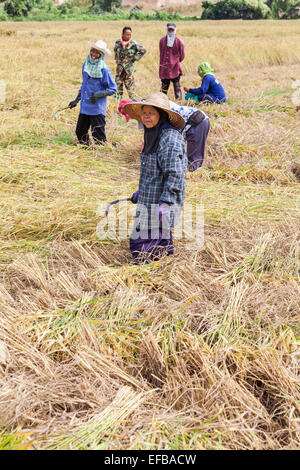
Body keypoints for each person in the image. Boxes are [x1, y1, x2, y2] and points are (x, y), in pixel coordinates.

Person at [122, 92, 187, 264]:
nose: (146, 116)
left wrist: (166, 203)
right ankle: (160, 267)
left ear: (162, 115)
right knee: (152, 243)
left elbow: (175, 174)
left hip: (161, 204)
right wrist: (141, 192)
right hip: (149, 201)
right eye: (144, 113)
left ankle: (153, 273)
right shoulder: (152, 134)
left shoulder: (169, 139)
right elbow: (153, 170)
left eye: (151, 113)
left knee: (144, 245)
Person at [118, 98, 210, 172]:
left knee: (194, 154)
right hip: (185, 123)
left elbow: (157, 135)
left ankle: (193, 172)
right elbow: (150, 133)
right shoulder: (147, 111)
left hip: (197, 120)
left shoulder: (156, 107)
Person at [69, 40, 117, 145]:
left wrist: (98, 95)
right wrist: (76, 100)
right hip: (85, 105)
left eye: (97, 53)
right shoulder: (85, 65)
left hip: (97, 108)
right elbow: (84, 84)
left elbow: (113, 88)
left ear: (101, 55)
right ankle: (87, 151)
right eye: (93, 51)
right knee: (80, 132)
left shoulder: (104, 70)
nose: (94, 54)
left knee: (98, 137)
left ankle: (100, 155)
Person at [169, 100, 210, 171]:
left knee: (194, 156)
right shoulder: (155, 111)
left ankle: (193, 171)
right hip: (192, 120)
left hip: (197, 121)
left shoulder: (165, 112)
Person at [114, 26, 146, 100]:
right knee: (117, 89)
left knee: (131, 90)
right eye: (127, 34)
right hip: (119, 70)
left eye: (130, 35)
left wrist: (134, 59)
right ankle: (118, 104)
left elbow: (143, 50)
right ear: (122, 34)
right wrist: (116, 58)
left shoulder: (133, 44)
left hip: (129, 70)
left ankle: (132, 104)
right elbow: (115, 50)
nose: (128, 36)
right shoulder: (118, 42)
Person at [159, 22, 185, 101]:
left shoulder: (179, 41)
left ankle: (179, 102)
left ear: (175, 30)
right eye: (169, 29)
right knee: (164, 87)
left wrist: (175, 61)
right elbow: (161, 53)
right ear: (167, 30)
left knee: (177, 87)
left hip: (175, 68)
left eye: (172, 30)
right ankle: (161, 102)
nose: (170, 31)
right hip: (164, 68)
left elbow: (182, 55)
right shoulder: (162, 41)